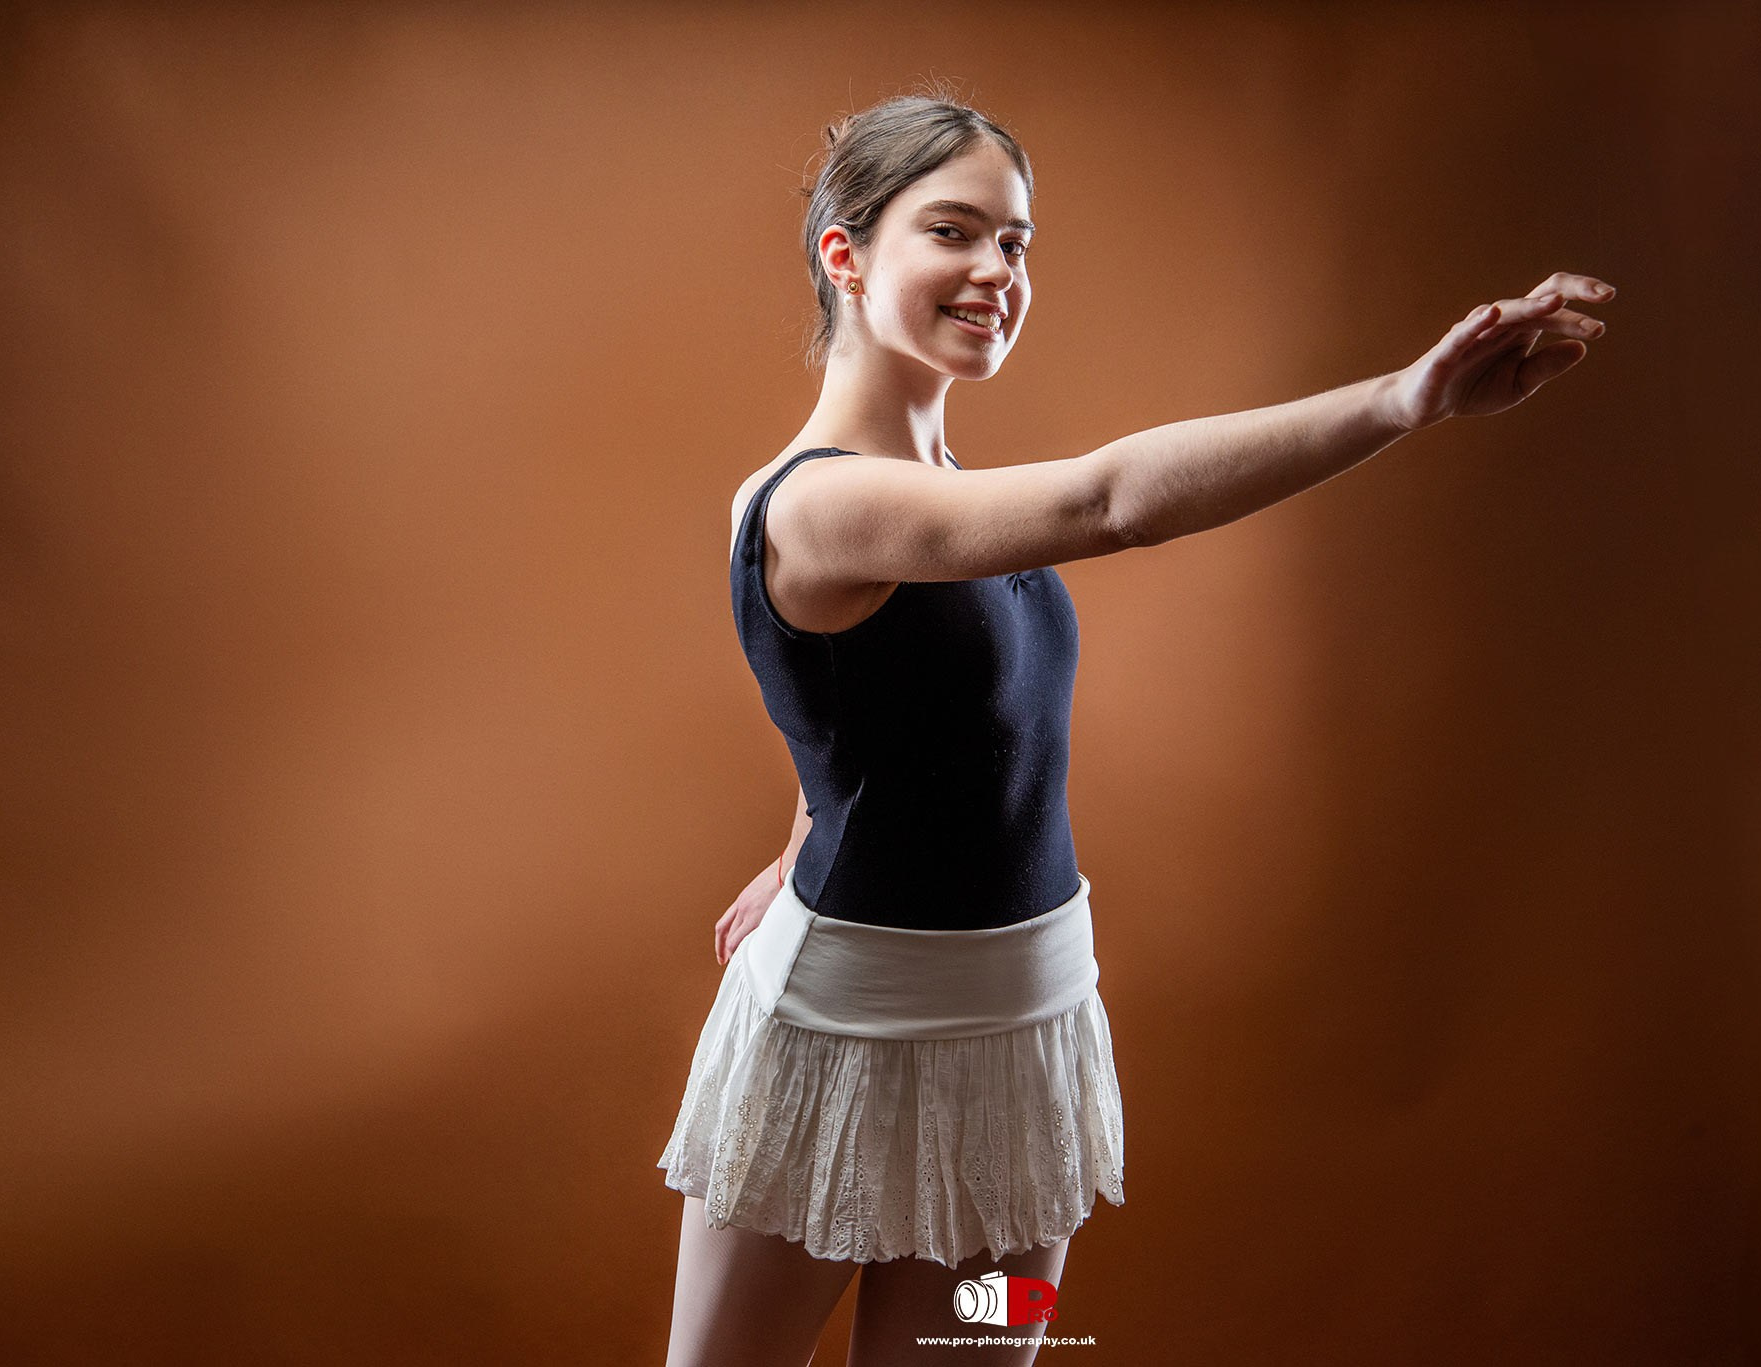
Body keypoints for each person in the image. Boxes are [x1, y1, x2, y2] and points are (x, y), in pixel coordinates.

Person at [657, 87, 1615, 1367]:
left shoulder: (943, 492)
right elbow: (1111, 501)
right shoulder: (815, 506)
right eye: (953, 231)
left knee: (977, 1354)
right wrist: (1402, 400)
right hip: (837, 1043)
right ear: (846, 253)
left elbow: (858, 701)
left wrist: (801, 841)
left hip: (1031, 1035)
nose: (997, 270)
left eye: (1014, 241)